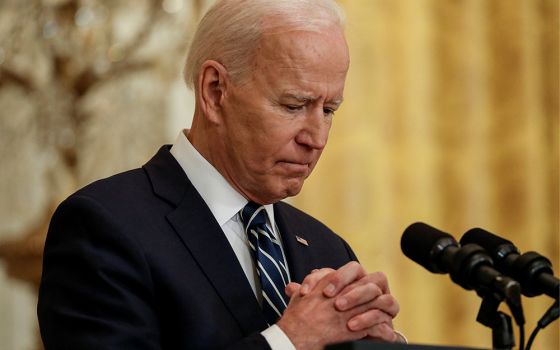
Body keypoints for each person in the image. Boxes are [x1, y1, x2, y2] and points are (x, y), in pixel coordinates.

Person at [38, 1, 404, 349]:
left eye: (328, 110)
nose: (317, 138)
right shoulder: (105, 227)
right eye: (294, 105)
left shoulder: (327, 247)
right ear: (215, 91)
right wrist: (289, 341)